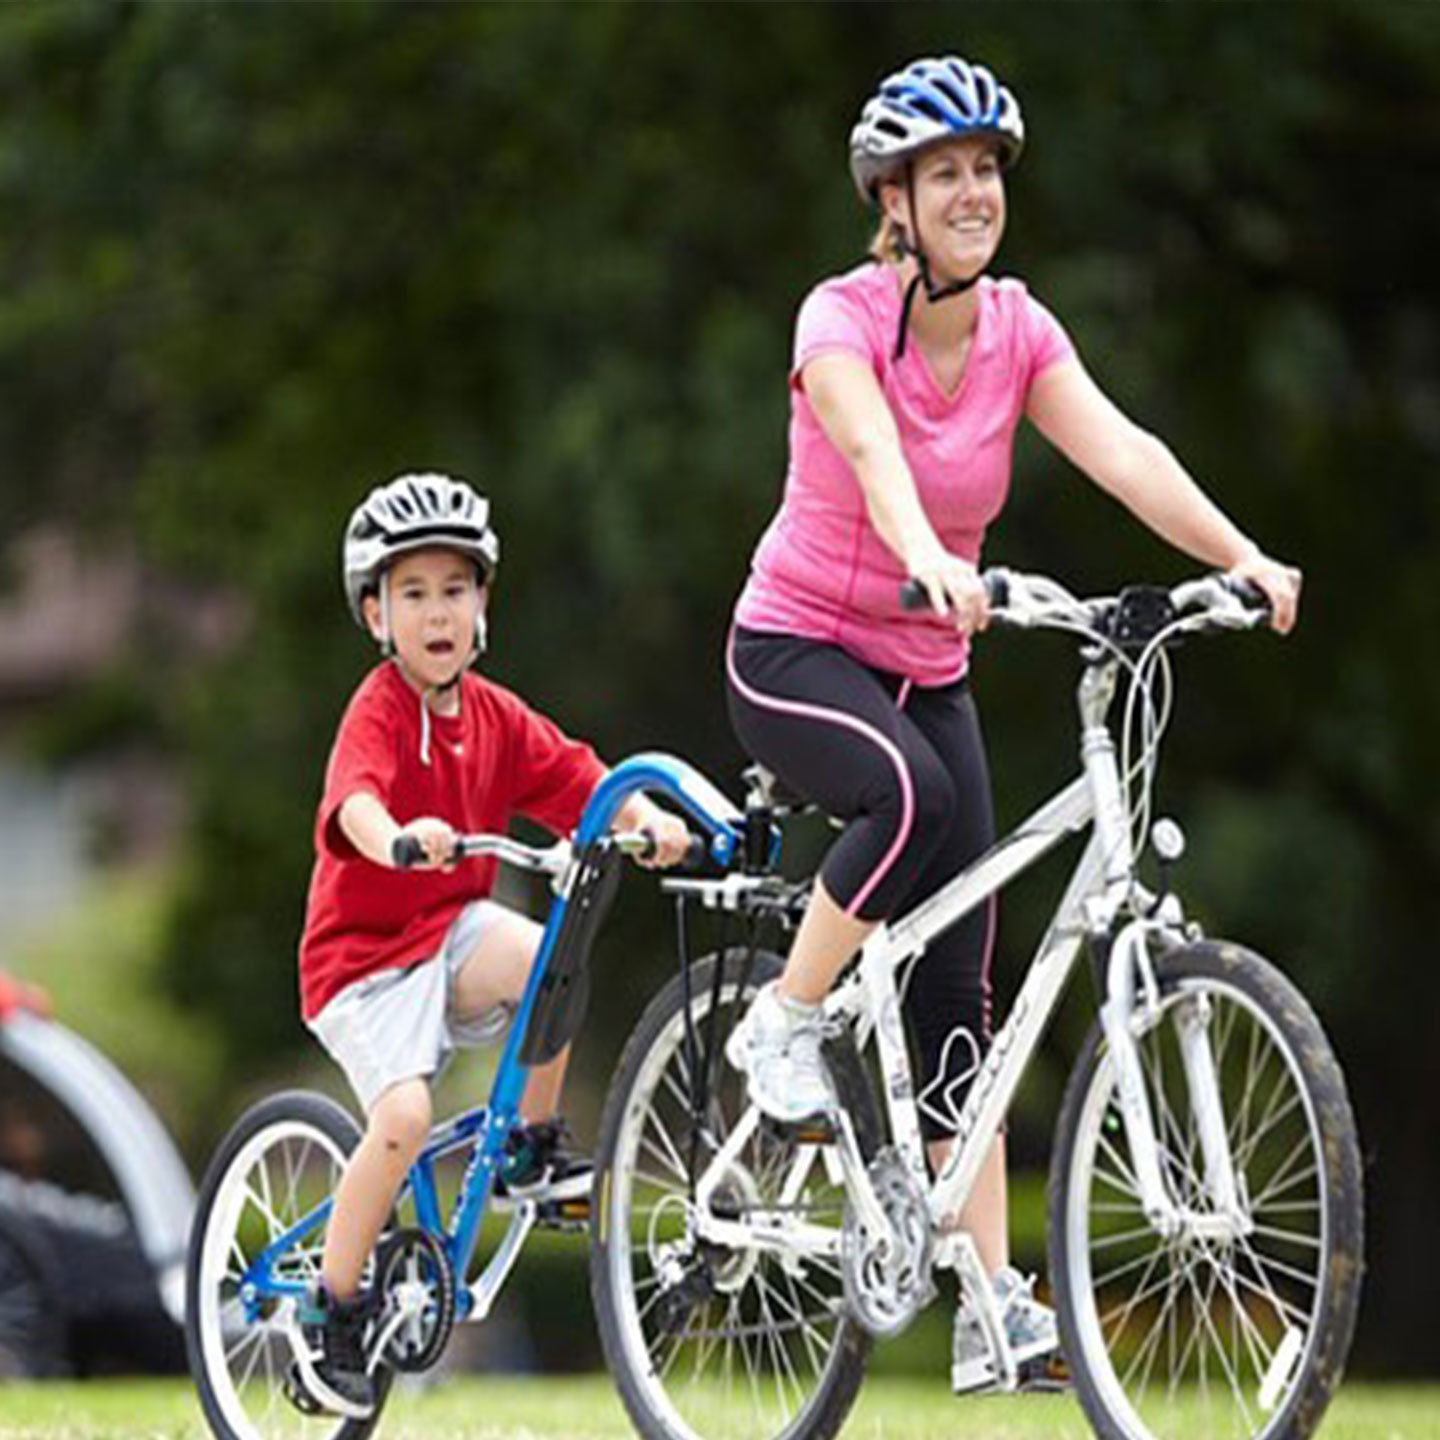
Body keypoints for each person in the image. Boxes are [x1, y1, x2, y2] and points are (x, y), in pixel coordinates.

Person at [722, 55, 1301, 1393]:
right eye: (945, 174)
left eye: (987, 170)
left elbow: (1123, 449)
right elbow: (869, 454)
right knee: (909, 798)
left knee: (960, 1001)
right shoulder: (841, 317)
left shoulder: (1022, 333)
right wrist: (928, 551)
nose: (974, 192)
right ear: (895, 200)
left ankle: (989, 1300)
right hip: (796, 647)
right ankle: (785, 1024)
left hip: (933, 664)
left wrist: (1243, 557)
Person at [294, 472, 690, 1417]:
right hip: (364, 963)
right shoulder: (381, 710)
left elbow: (577, 780)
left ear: (483, 606)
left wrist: (645, 817)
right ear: (376, 616)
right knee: (401, 1122)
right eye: (414, 593)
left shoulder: (495, 717)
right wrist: (393, 835)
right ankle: (331, 1312)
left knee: (554, 955)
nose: (439, 613)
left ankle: (528, 1149)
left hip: (450, 935)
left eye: (456, 590)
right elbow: (353, 802)